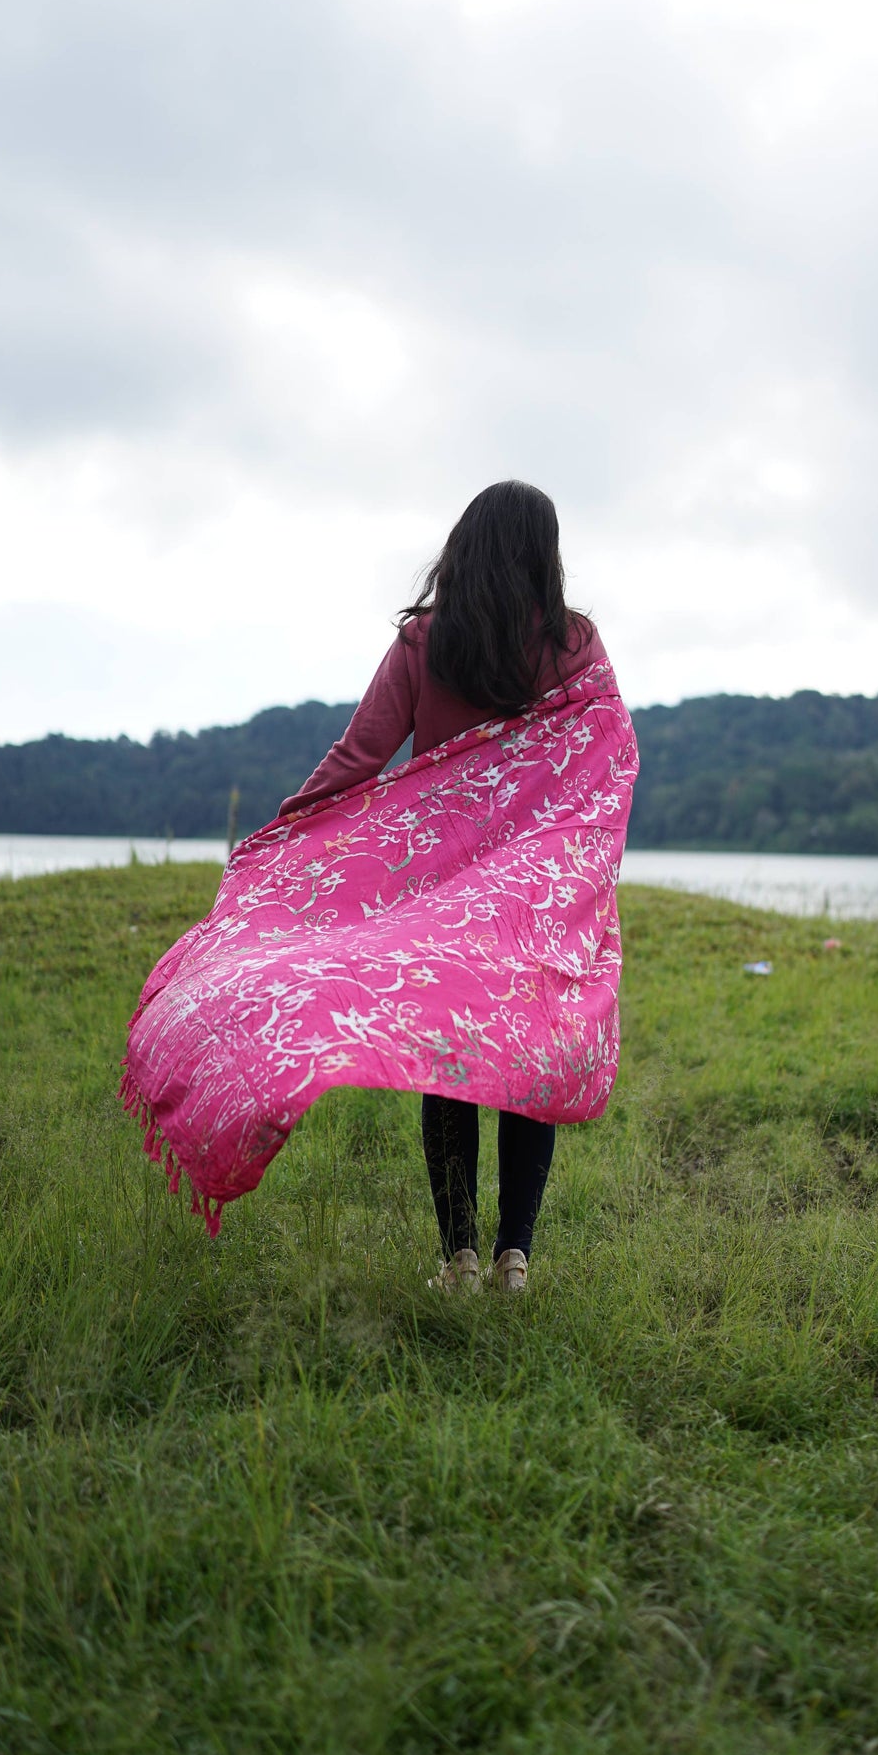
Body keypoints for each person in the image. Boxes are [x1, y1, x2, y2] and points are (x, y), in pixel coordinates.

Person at [281, 480, 609, 1295]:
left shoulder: (424, 644)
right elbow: (603, 764)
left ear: (463, 544)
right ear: (546, 554)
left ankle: (457, 1259)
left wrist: (287, 829)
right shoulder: (576, 647)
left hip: (445, 894)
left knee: (450, 1067)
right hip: (537, 896)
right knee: (527, 1068)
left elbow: (360, 757)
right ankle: (514, 1259)